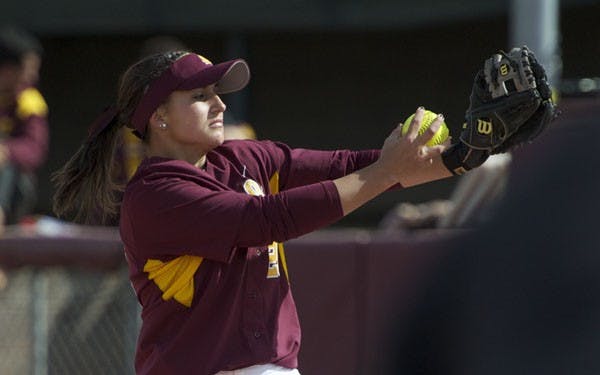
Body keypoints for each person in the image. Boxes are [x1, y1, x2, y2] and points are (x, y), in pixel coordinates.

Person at [50, 50, 546, 374]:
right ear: (158, 117)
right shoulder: (155, 197)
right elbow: (268, 221)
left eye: (218, 92)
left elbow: (355, 165)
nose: (219, 104)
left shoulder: (243, 158)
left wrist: (466, 154)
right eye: (200, 97)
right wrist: (382, 173)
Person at [0, 26, 48, 229]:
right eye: (29, 69)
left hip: (10, 189)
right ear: (6, 69)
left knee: (9, 168)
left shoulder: (29, 100)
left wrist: (5, 151)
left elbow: (35, 150)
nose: (33, 76)